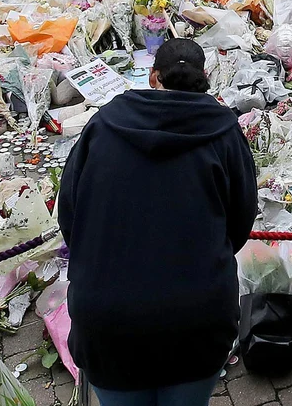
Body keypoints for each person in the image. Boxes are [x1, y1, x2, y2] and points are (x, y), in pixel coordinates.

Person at [57, 38, 258, 406]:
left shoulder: (103, 126)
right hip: (196, 316)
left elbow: (70, 217)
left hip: (108, 317)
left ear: (153, 77)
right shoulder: (224, 131)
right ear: (205, 77)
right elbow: (240, 221)